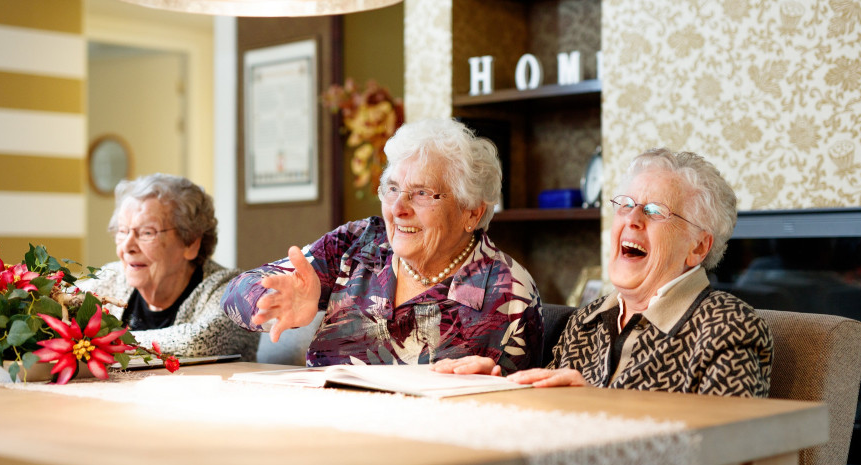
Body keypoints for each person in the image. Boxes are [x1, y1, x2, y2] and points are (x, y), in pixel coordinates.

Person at [435, 148, 772, 397]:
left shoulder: (728, 327)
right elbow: (551, 420)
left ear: (698, 247)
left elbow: (731, 449)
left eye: (655, 212)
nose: (631, 220)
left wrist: (597, 403)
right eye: (625, 205)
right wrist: (495, 387)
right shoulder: (588, 320)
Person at [222, 117, 543, 373]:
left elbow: (523, 411)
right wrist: (272, 298)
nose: (398, 207)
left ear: (471, 212)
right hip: (323, 431)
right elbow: (233, 295)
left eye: (421, 193)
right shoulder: (359, 244)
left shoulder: (507, 292)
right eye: (392, 188)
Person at [80, 173, 259, 361]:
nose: (127, 246)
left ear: (191, 243)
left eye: (147, 232)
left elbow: (200, 342)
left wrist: (103, 341)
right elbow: (52, 317)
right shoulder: (110, 280)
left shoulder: (232, 290)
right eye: (122, 231)